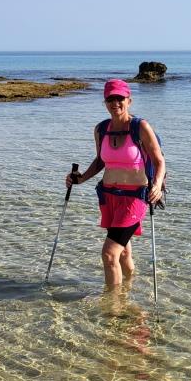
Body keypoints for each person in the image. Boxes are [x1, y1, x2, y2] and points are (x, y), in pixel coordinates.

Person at [66, 79, 165, 291]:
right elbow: (100, 161)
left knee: (109, 254)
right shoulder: (101, 129)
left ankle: (114, 305)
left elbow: (159, 161)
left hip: (134, 199)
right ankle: (129, 289)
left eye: (120, 98)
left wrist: (157, 185)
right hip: (108, 197)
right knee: (123, 253)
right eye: (110, 99)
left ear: (129, 100)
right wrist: (81, 179)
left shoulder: (140, 127)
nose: (115, 103)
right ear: (105, 102)